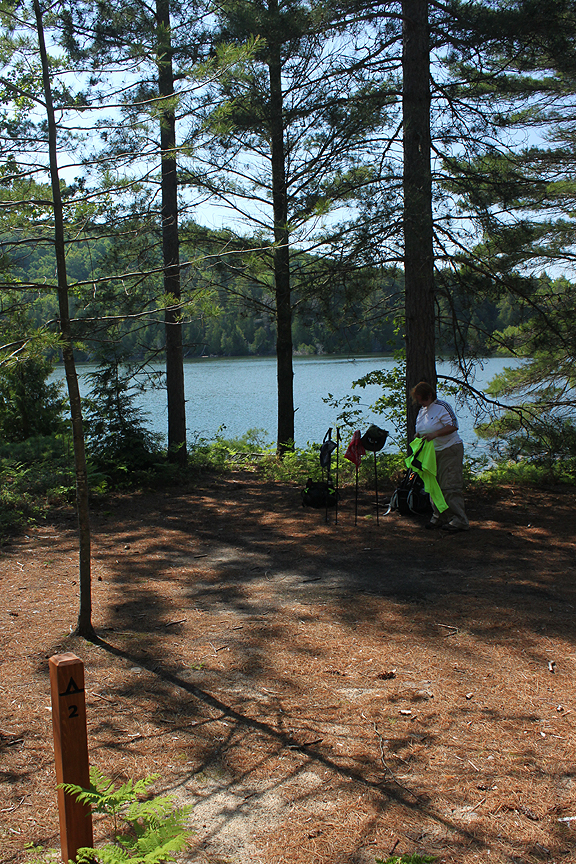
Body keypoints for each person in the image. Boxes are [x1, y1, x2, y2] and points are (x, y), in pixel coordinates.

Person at [411, 380, 469, 533]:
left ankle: (459, 520)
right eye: (418, 399)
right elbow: (424, 428)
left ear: (429, 395)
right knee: (433, 485)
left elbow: (453, 425)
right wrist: (419, 435)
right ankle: (439, 516)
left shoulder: (442, 407)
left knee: (449, 485)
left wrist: (435, 434)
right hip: (432, 453)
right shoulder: (422, 411)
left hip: (449, 450)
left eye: (422, 399)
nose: (420, 402)